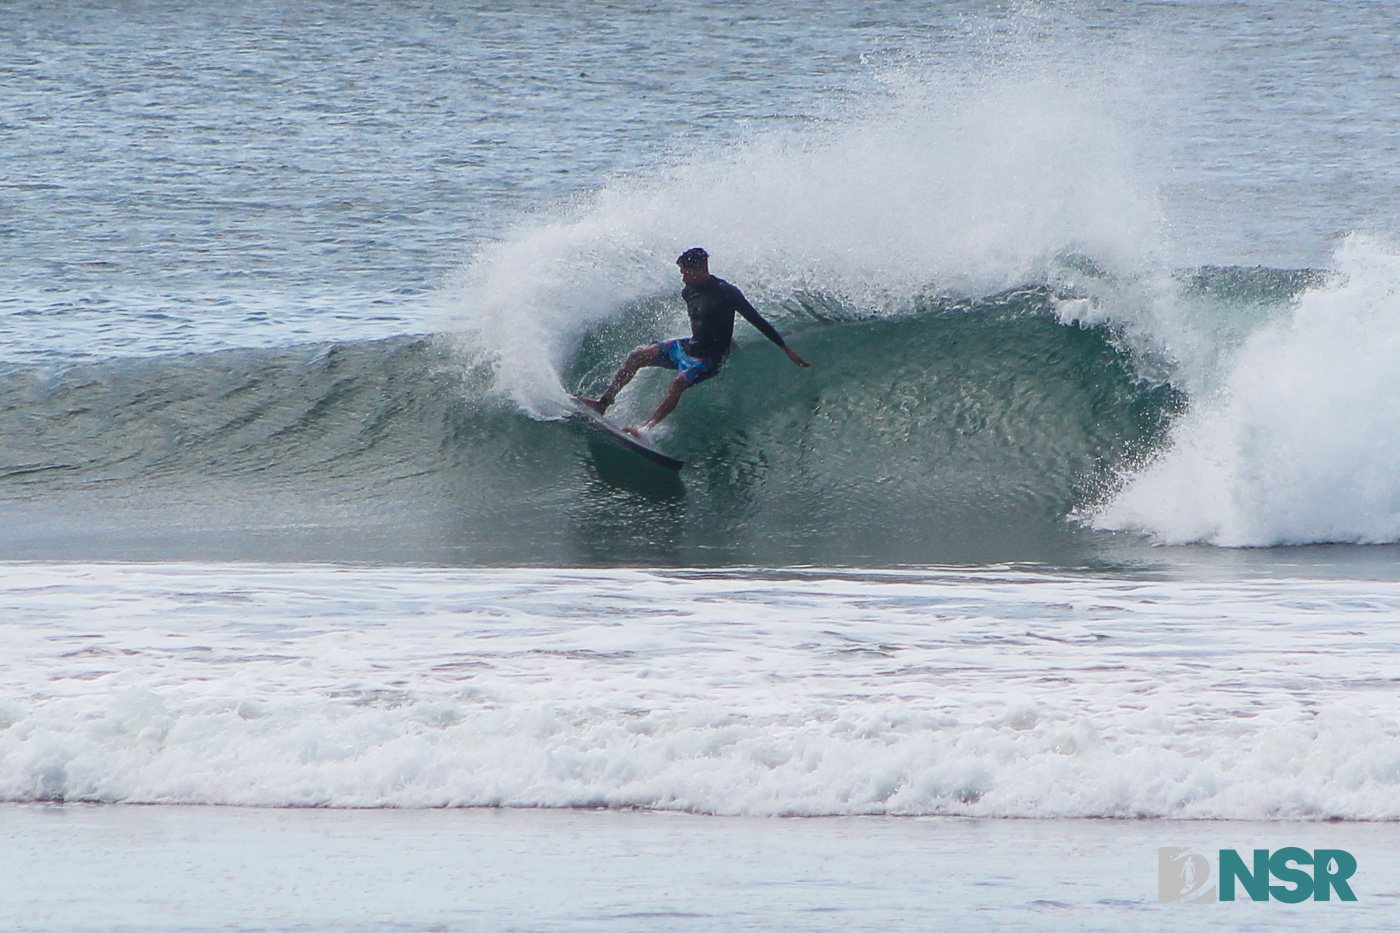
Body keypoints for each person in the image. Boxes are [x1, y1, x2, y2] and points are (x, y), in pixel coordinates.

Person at [577, 248, 810, 434]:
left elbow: (756, 320)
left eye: (686, 272)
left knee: (678, 383)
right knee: (637, 357)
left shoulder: (726, 292)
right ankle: (603, 403)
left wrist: (786, 348)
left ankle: (645, 429)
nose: (683, 277)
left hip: (709, 359)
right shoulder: (687, 291)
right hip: (687, 347)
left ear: (700, 270)